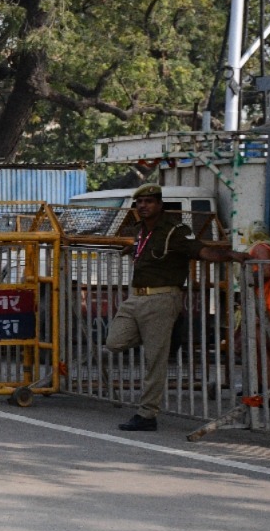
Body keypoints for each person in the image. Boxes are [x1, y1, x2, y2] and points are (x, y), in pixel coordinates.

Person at [106, 184, 249, 431]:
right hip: (136, 298)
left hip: (161, 298)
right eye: (140, 202)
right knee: (114, 341)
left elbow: (201, 251)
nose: (143, 206)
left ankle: (147, 415)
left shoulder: (175, 230)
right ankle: (164, 334)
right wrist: (132, 249)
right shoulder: (141, 230)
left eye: (149, 201)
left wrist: (230, 255)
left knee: (154, 360)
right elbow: (148, 252)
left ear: (160, 204)